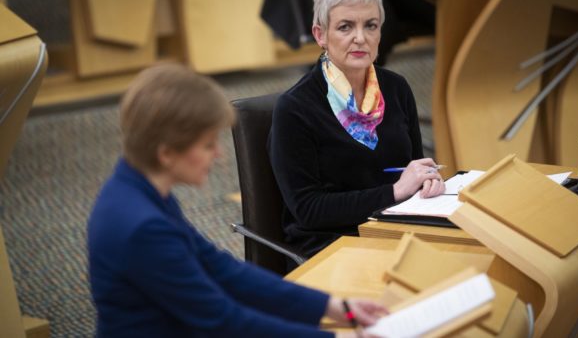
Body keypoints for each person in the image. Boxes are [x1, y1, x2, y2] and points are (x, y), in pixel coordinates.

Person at [87, 64, 387, 337]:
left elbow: (222, 270)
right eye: (207, 144)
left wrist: (333, 306)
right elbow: (223, 321)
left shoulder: (138, 187)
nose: (218, 155)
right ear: (166, 153)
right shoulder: (143, 228)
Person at [269, 0, 446, 262]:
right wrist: (395, 191)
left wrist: (426, 181)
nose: (360, 38)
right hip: (332, 245)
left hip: (395, 230)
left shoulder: (396, 88)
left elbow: (414, 168)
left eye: (371, 25)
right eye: (345, 27)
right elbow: (309, 210)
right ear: (320, 34)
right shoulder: (295, 108)